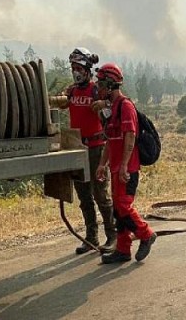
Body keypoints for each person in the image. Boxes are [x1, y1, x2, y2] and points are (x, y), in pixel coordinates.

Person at [94, 63, 157, 264]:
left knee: (123, 205)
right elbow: (109, 141)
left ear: (111, 85)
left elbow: (130, 138)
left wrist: (123, 166)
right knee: (118, 210)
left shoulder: (125, 106)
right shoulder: (111, 109)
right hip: (115, 168)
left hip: (127, 169)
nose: (99, 88)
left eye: (102, 84)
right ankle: (123, 249)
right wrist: (102, 165)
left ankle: (146, 234)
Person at [59, 48, 116, 255]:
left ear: (87, 69)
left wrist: (104, 103)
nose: (76, 72)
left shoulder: (96, 90)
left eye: (79, 68)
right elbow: (63, 104)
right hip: (77, 147)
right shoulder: (72, 91)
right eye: (73, 68)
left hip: (96, 148)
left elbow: (114, 105)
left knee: (100, 193)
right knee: (84, 196)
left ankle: (112, 236)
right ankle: (91, 237)